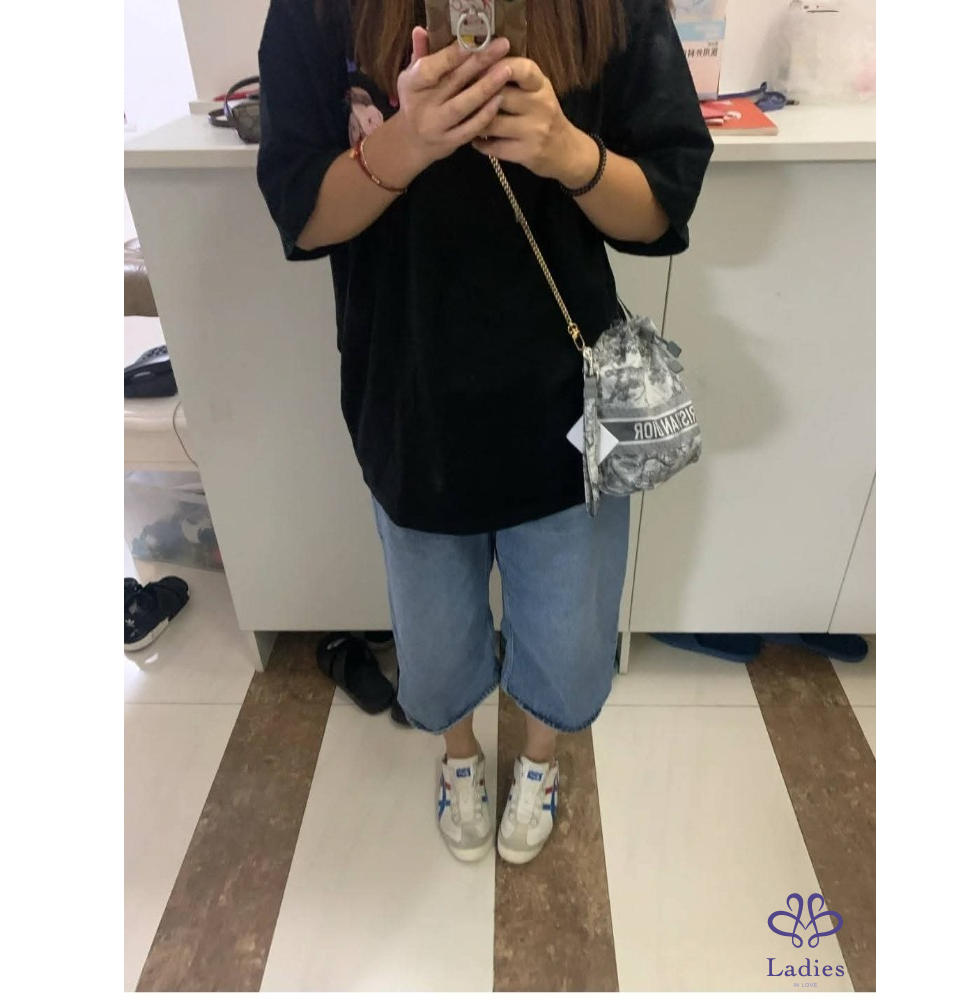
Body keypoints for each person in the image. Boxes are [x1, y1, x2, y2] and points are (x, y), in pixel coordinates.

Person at [257, 0, 712, 865]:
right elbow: (301, 213)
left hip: (569, 403)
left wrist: (567, 151)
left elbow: (661, 207)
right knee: (433, 638)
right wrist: (406, 142)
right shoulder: (320, 11)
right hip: (410, 397)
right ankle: (458, 756)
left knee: (571, 634)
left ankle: (539, 762)